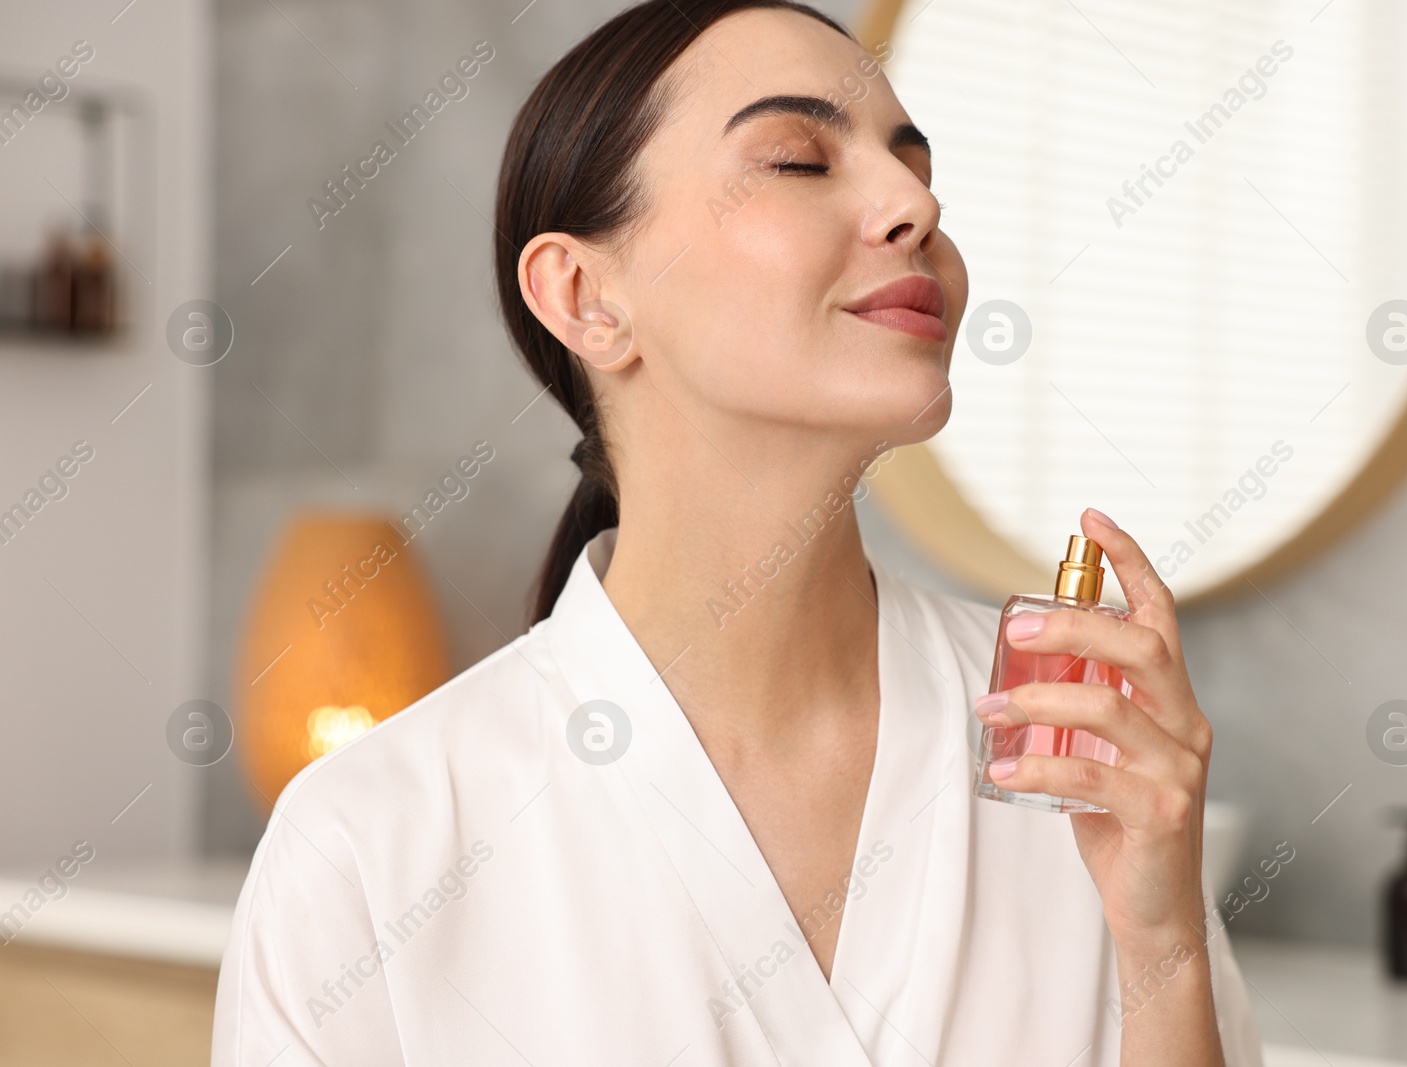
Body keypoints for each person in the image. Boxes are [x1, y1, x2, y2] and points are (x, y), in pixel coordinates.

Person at [212, 2, 1264, 1063]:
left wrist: (1161, 939)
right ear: (584, 297)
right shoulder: (369, 849)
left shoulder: (1070, 765)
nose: (913, 202)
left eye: (915, 164)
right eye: (800, 159)